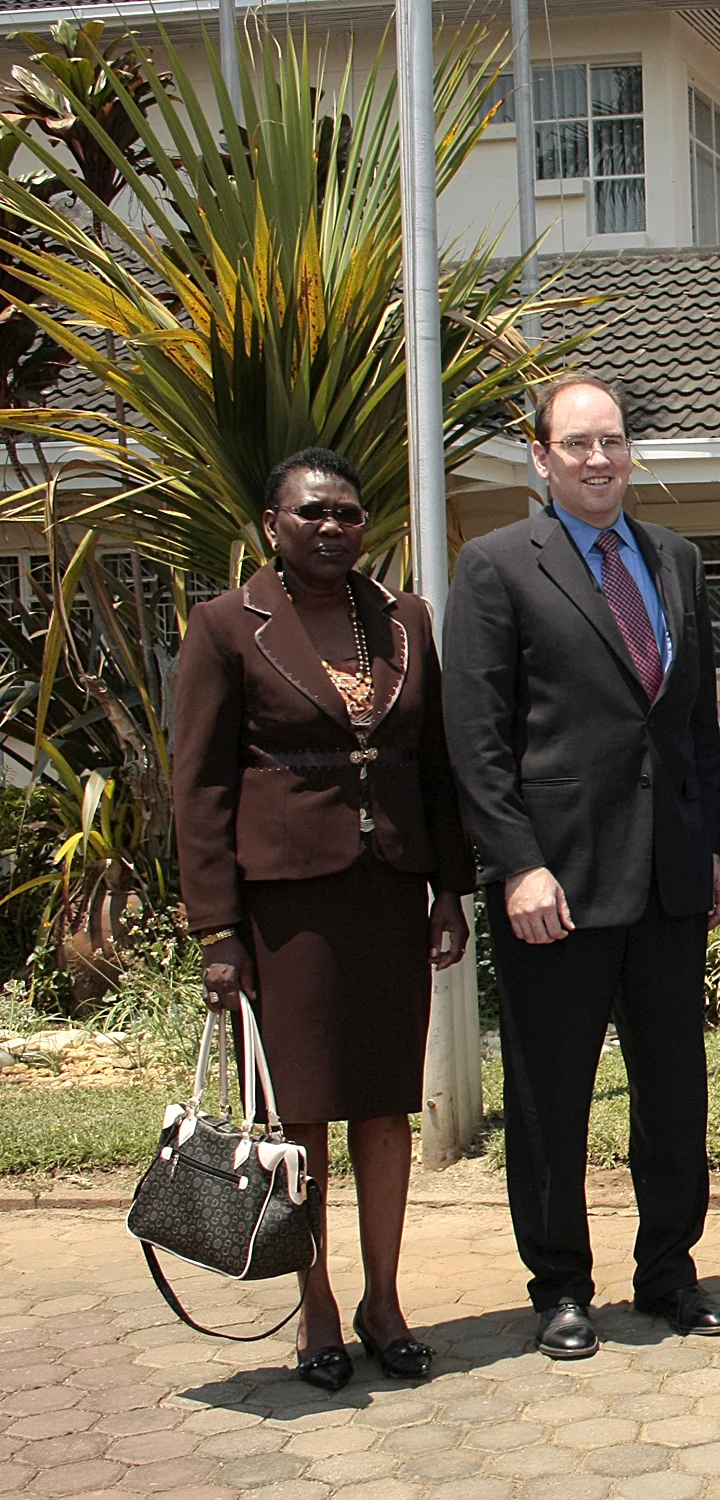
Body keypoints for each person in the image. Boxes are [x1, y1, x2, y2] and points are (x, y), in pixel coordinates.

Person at [172, 448, 474, 1391]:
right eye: (313, 513)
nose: (334, 528)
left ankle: (385, 1300)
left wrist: (450, 890)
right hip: (286, 905)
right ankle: (318, 1306)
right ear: (272, 523)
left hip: (390, 894)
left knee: (385, 1106)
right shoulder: (227, 626)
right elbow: (201, 785)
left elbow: (434, 763)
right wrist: (218, 929)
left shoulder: (404, 619)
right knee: (300, 1114)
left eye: (348, 513)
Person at [444, 374, 720, 1359]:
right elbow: (476, 740)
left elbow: (693, 723)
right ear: (541, 457)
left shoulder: (678, 561)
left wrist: (711, 849)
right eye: (578, 445)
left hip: (665, 881)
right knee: (550, 1100)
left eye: (612, 441)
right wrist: (515, 865)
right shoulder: (495, 567)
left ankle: (669, 1274)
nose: (599, 459)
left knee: (674, 1094)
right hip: (553, 889)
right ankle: (560, 1285)